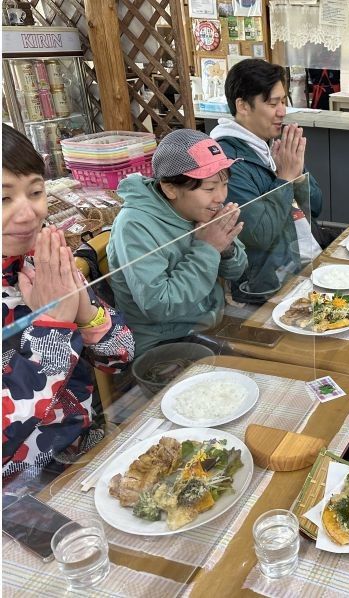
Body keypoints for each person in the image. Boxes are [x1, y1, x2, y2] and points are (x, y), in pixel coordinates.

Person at [2, 124, 134, 480]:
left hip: (87, 455)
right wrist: (56, 327)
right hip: (21, 493)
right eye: (4, 198)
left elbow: (121, 355)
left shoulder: (40, 264)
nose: (28, 212)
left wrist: (85, 312)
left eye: (35, 191)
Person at [108, 129, 247, 354]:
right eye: (210, 188)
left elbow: (238, 271)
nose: (220, 196)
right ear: (170, 188)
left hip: (210, 325)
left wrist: (226, 247)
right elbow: (160, 306)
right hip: (162, 343)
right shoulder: (134, 225)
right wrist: (208, 248)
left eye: (224, 184)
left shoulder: (202, 208)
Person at [211, 58, 330, 304]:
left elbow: (316, 206)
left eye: (284, 101)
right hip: (265, 286)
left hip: (303, 261)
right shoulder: (227, 162)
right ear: (242, 106)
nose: (282, 111)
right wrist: (285, 178)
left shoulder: (270, 146)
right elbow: (260, 235)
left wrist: (296, 174)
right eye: (272, 103)